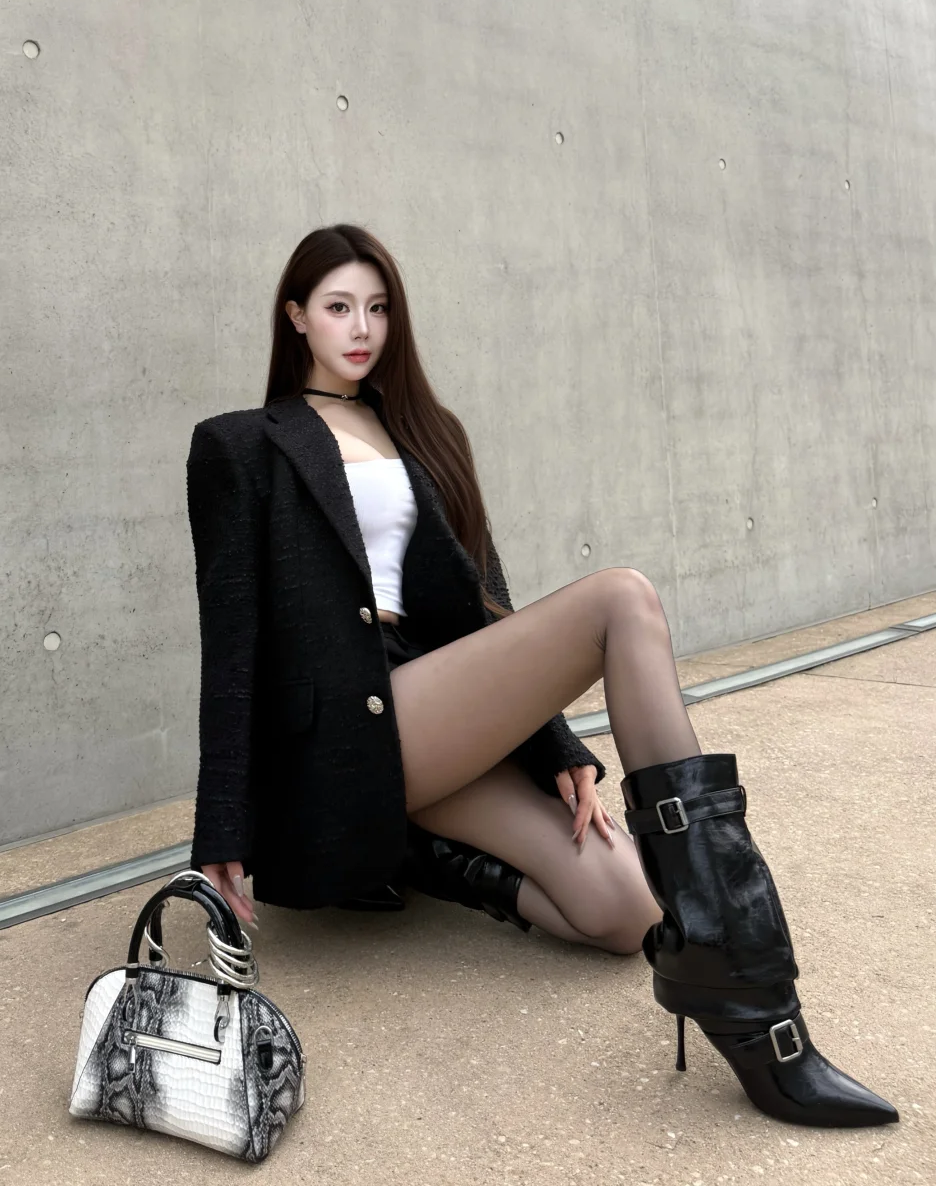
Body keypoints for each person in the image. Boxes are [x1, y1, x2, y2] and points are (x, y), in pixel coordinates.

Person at [188, 224, 897, 1129]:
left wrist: (560, 747)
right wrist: (222, 826)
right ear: (296, 317)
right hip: (338, 740)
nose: (361, 328)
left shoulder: (428, 434)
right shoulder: (243, 445)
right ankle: (761, 1014)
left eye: (378, 307)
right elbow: (231, 648)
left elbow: (488, 607)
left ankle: (415, 853)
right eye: (338, 307)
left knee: (626, 912)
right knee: (621, 601)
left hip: (438, 708)